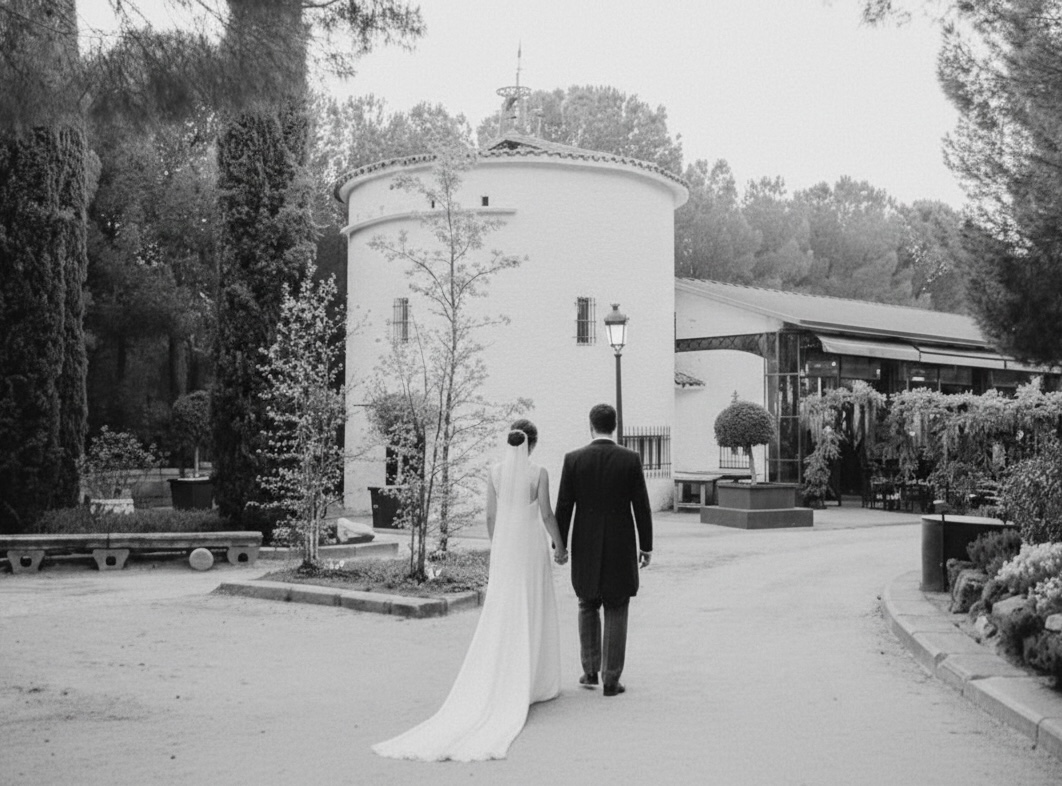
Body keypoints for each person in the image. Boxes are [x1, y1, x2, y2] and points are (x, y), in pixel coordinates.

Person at [372, 419, 568, 762]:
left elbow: (492, 516)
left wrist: (500, 548)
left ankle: (505, 676)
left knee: (503, 610)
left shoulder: (495, 472)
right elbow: (548, 513)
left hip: (506, 551)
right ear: (532, 444)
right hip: (531, 549)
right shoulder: (539, 473)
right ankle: (534, 680)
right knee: (532, 607)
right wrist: (560, 546)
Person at [555, 403, 653, 697]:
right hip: (621, 544)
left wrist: (559, 546)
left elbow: (564, 506)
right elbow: (642, 507)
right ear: (615, 425)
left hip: (585, 542)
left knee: (587, 603)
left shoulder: (573, 459)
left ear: (591, 425)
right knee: (616, 605)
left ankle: (589, 671)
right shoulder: (630, 459)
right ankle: (611, 679)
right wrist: (646, 546)